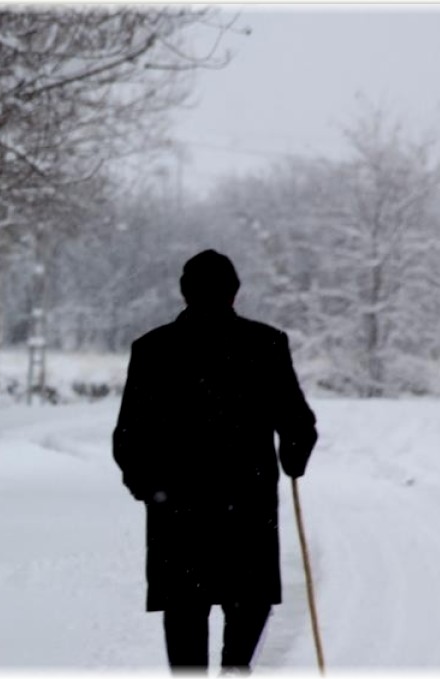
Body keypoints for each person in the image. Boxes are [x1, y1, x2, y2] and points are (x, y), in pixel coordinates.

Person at [112, 249, 318, 675]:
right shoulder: (265, 344)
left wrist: (150, 489)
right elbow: (297, 423)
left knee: (185, 617)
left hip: (177, 513)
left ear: (184, 292)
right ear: (234, 293)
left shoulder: (153, 349)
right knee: (247, 611)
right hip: (247, 508)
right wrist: (293, 456)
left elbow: (129, 436)